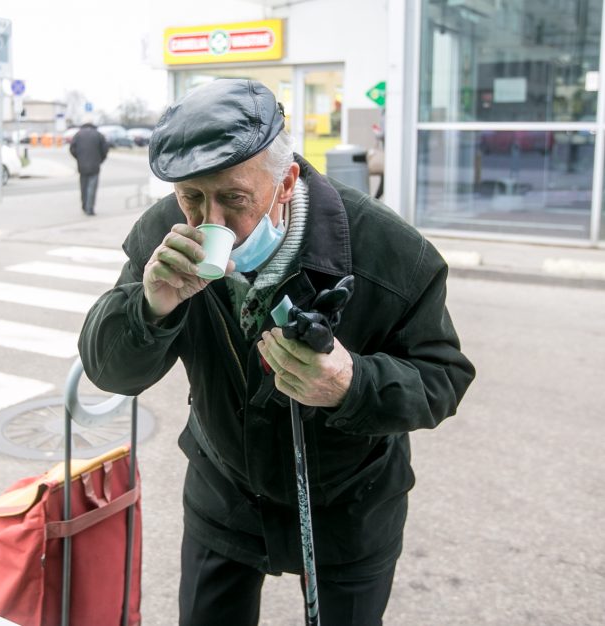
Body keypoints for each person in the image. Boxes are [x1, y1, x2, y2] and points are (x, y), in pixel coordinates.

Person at [78, 79, 475, 626]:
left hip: (350, 504)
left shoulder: (390, 253)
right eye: (191, 197)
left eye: (234, 199)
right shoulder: (162, 237)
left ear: (286, 182)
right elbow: (110, 371)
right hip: (225, 490)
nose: (209, 222)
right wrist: (151, 307)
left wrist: (353, 383)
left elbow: (442, 377)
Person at [69, 119, 110, 216]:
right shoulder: (98, 135)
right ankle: (89, 208)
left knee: (83, 187)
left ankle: (84, 206)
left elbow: (72, 149)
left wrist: (78, 158)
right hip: (95, 166)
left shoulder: (78, 135)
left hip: (82, 166)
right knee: (92, 187)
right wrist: (100, 160)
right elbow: (105, 149)